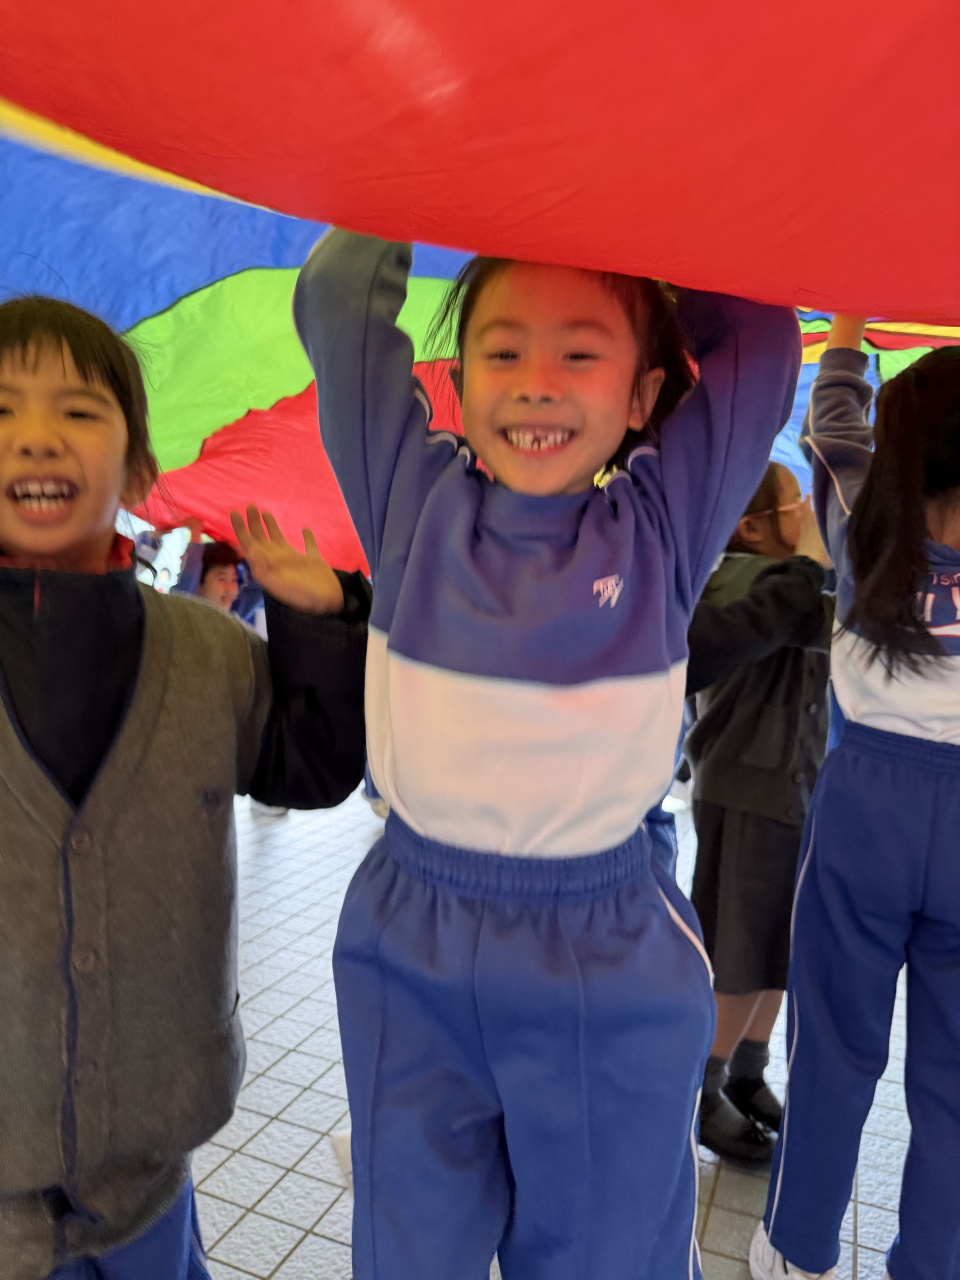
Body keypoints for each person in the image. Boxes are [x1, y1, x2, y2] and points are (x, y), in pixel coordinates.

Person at [294, 229, 801, 1280]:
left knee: (606, 1253)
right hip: (413, 942)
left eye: (579, 353)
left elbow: (758, 347)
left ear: (643, 392)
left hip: (604, 951)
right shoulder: (411, 502)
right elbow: (339, 296)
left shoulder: (661, 526)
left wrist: (634, 203)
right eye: (503, 351)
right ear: (459, 378)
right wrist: (447, 165)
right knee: (409, 1247)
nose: (537, 383)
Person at [0, 296, 371, 1280]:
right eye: (1, 411)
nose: (36, 435)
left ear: (139, 470)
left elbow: (310, 766)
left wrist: (323, 621)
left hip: (152, 1151)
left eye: (78, 410)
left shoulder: (207, 652)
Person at [750, 319, 960, 1280]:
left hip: (867, 802)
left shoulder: (860, 522)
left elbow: (832, 423)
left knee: (833, 1045)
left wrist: (846, 327)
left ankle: (797, 1249)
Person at [681, 463, 832, 1165]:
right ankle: (703, 1089)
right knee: (736, 953)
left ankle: (747, 1072)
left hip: (789, 791)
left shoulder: (791, 582)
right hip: (746, 791)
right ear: (751, 527)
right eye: (796, 502)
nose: (809, 513)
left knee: (776, 946)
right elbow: (808, 614)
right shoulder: (738, 581)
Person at [172, 519, 266, 635]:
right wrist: (195, 535)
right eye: (222, 579)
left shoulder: (232, 615)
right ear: (198, 585)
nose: (231, 589)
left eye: (234, 579)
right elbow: (186, 586)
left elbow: (259, 588)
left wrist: (243, 558)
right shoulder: (180, 615)